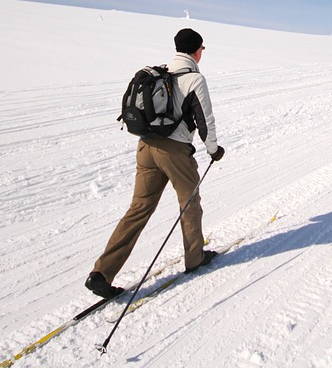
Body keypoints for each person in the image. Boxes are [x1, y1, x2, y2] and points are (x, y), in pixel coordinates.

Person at [85, 28, 226, 299]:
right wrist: (214, 150)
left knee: (138, 209)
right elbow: (205, 120)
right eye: (202, 49)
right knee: (189, 204)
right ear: (197, 51)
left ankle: (101, 273)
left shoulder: (160, 74)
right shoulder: (194, 78)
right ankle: (194, 258)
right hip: (174, 153)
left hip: (146, 148)